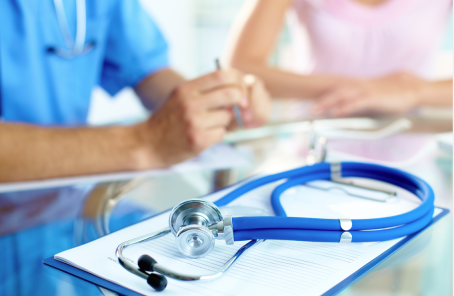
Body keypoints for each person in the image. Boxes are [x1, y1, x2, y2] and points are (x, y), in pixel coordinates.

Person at [0, 0, 271, 182]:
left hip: (58, 200)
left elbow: (146, 70)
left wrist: (214, 103)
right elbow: (148, 140)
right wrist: (144, 142)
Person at [224, 0, 452, 118]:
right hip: (313, 144)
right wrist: (367, 90)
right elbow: (240, 67)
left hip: (414, 149)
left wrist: (412, 90)